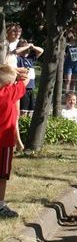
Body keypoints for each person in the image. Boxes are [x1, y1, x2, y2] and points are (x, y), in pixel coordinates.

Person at [0, 64, 28, 218]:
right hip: (5, 142)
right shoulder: (9, 93)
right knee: (2, 175)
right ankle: (0, 206)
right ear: (9, 83)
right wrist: (19, 75)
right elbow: (24, 82)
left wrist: (11, 72)